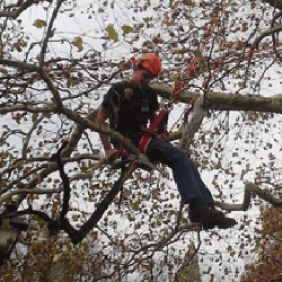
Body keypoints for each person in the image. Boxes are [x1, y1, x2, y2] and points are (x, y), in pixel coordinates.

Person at [96, 53, 237, 229]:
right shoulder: (118, 90)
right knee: (178, 155)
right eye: (145, 75)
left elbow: (156, 121)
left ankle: (207, 208)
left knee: (183, 158)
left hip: (145, 139)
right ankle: (196, 207)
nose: (146, 80)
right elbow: (100, 119)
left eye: (151, 78)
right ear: (136, 68)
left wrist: (162, 132)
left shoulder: (148, 94)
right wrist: (108, 149)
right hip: (127, 142)